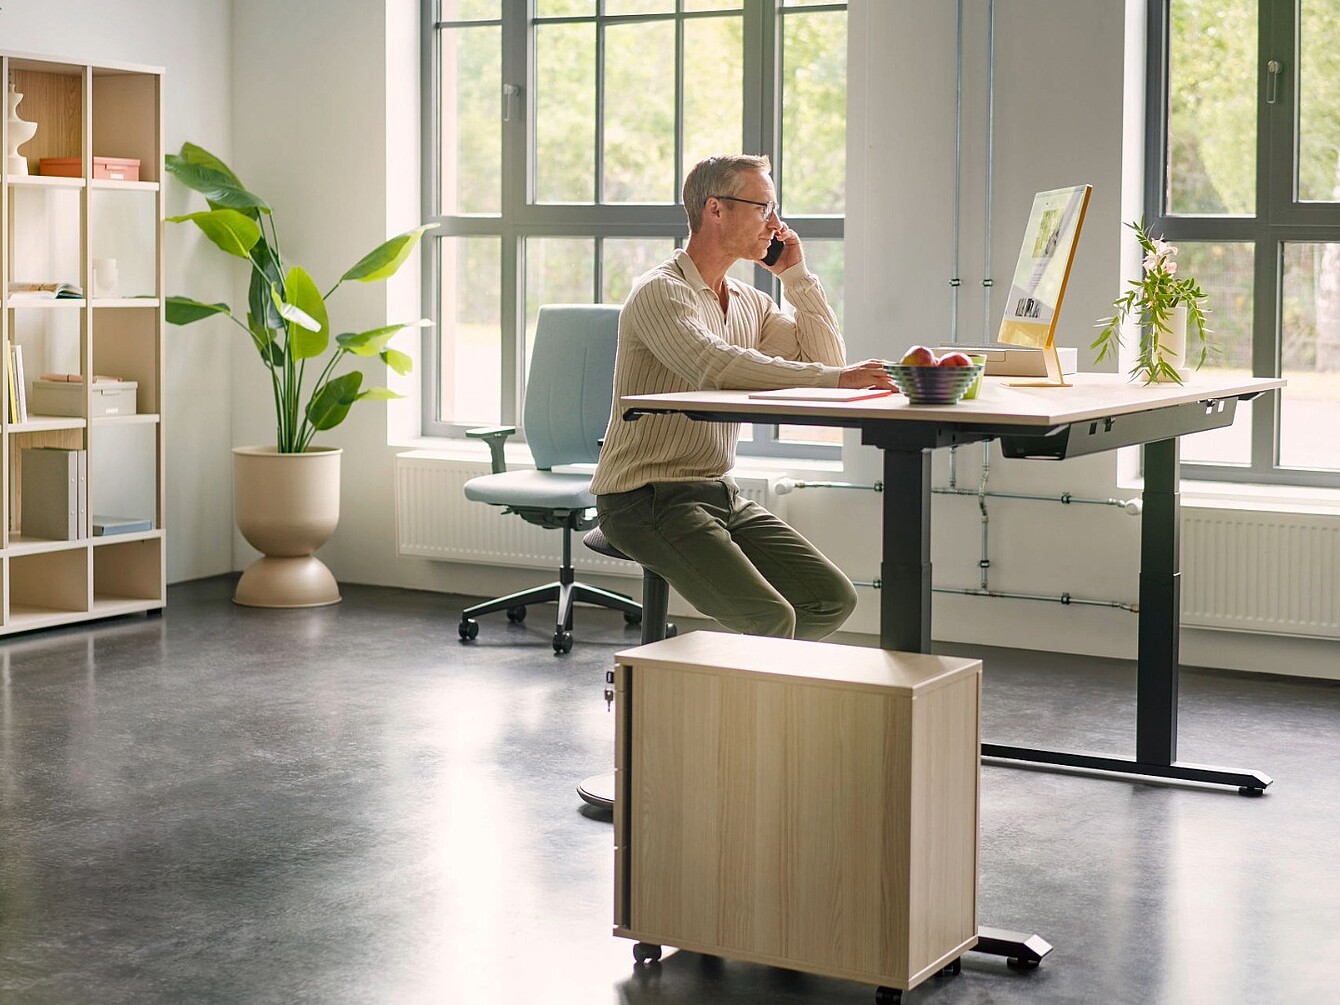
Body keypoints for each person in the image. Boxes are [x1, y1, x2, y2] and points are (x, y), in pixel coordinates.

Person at [590, 153, 894, 640]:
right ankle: (731, 703)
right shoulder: (661, 293)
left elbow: (826, 355)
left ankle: (742, 694)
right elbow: (716, 367)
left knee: (831, 599)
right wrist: (838, 379)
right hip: (642, 498)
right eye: (764, 208)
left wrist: (796, 277)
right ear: (716, 210)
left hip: (716, 490)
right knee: (771, 618)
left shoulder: (751, 302)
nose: (775, 224)